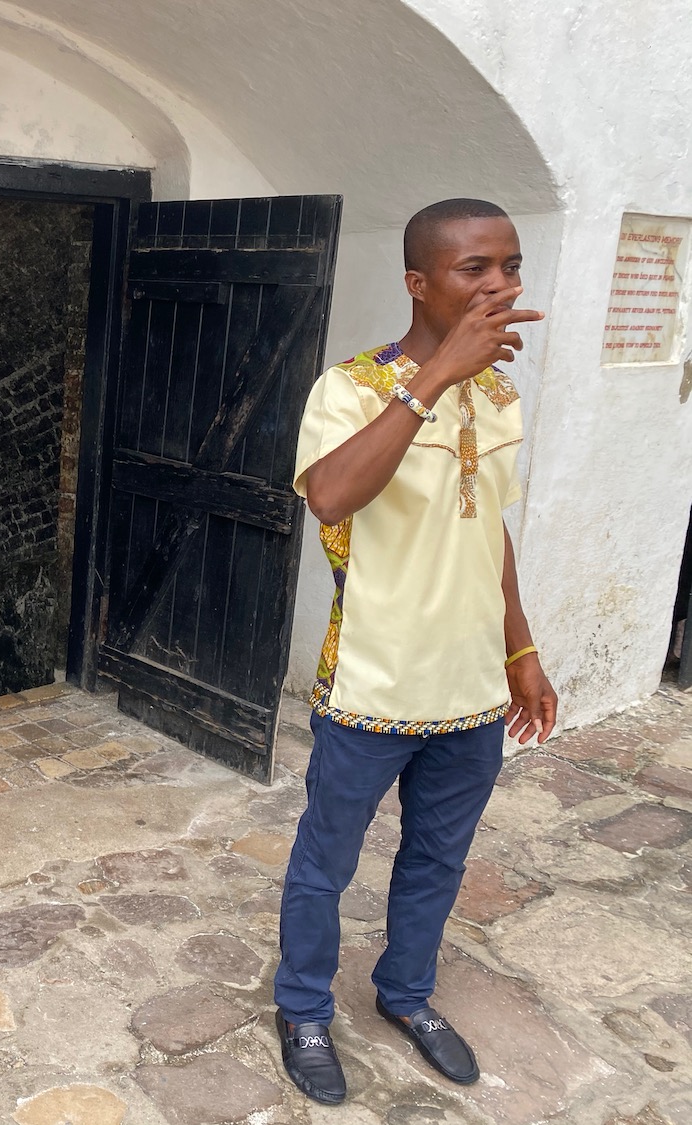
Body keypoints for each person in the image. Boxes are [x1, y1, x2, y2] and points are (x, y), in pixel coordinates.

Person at [274, 198, 559, 1105]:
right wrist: (432, 377)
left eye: (509, 266)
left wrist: (521, 647)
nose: (501, 285)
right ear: (419, 282)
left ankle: (405, 994)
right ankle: (304, 1009)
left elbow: (491, 531)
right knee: (328, 860)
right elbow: (328, 496)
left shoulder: (500, 394)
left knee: (438, 858)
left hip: (470, 691)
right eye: (476, 268)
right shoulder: (351, 386)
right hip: (373, 684)